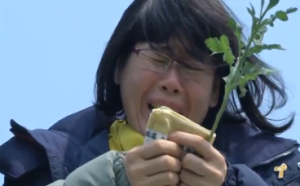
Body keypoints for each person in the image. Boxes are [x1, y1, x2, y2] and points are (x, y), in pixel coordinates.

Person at [1, 0, 300, 185]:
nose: (171, 81)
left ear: (215, 91)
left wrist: (230, 184)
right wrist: (112, 180)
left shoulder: (278, 168)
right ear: (119, 68)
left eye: (192, 66)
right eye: (157, 59)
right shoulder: (46, 160)